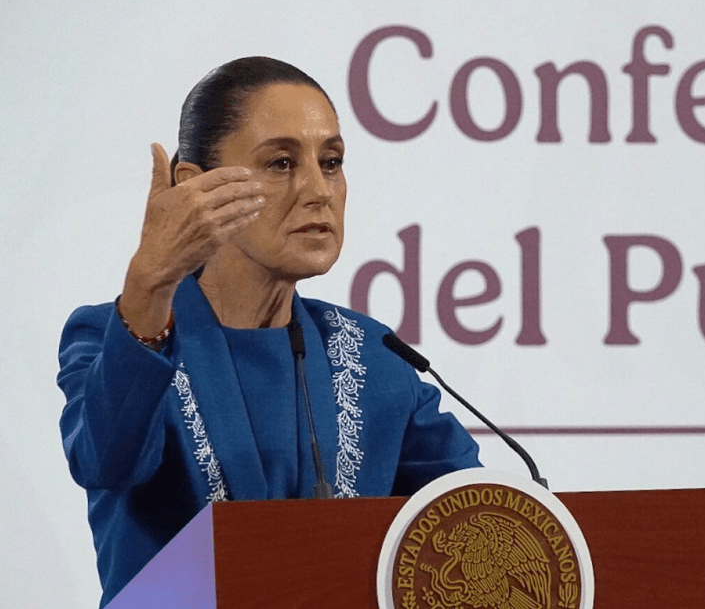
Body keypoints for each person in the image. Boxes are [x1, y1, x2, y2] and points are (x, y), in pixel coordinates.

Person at [55, 57, 481, 607]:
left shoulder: (373, 354)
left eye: (331, 162)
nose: (318, 190)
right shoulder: (117, 334)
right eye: (281, 163)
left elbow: (479, 514)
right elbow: (107, 462)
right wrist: (149, 284)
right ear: (194, 186)